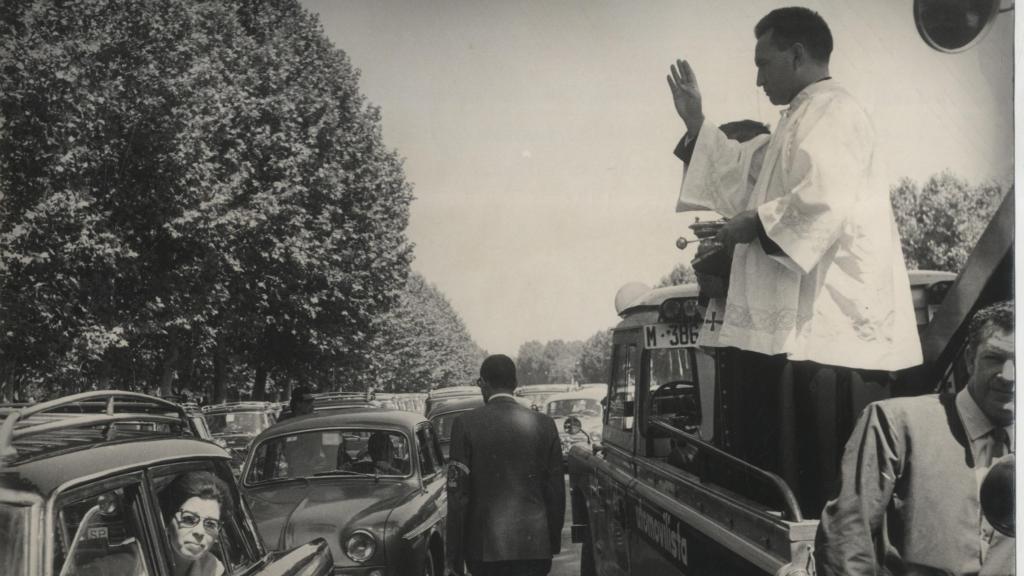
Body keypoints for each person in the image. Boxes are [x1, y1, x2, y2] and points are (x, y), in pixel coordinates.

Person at [667, 6, 921, 512]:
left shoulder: (836, 111)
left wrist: (753, 224)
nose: (757, 78)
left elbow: (824, 197)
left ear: (798, 54)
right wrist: (697, 122)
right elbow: (743, 176)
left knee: (829, 489)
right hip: (800, 337)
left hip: (834, 331)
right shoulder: (797, 118)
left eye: (764, 63)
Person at [816, 301, 1015, 575]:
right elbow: (845, 541)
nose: (1009, 376)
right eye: (994, 358)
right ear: (970, 359)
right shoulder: (895, 423)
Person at [445, 354, 565, 576]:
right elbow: (556, 491)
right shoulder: (546, 425)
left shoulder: (465, 424)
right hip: (535, 548)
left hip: (485, 550)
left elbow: (458, 496)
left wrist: (453, 556)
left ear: (484, 383)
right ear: (515, 384)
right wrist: (551, 542)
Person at [159, 471, 229, 576]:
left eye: (210, 524)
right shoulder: (131, 566)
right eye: (188, 519)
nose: (199, 532)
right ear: (167, 521)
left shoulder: (213, 568)